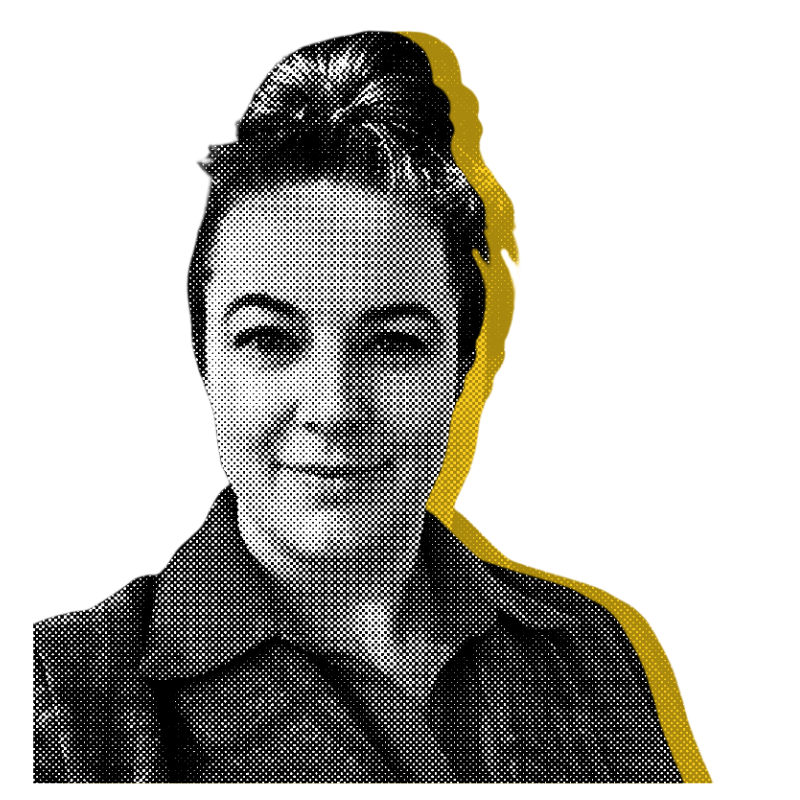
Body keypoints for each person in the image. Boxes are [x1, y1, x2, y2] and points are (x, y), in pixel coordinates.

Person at [33, 31, 683, 784]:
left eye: (393, 344)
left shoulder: (588, 654)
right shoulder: (66, 698)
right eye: (269, 340)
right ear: (205, 363)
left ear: (462, 370)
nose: (332, 404)